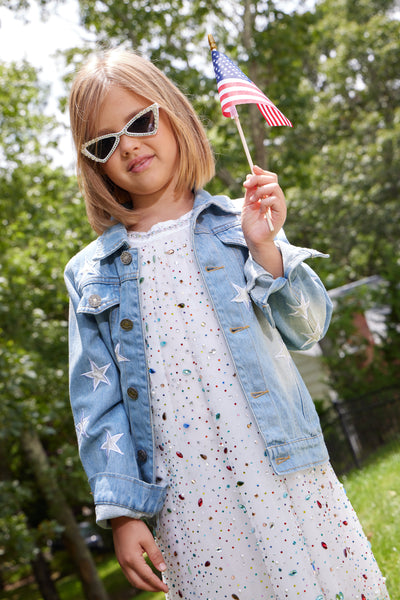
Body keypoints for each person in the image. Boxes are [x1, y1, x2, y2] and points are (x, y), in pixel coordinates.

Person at [65, 48, 390, 600]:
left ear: (175, 115)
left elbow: (309, 328)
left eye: (141, 122)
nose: (130, 145)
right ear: (95, 164)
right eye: (105, 143)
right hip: (190, 499)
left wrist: (268, 251)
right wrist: (123, 513)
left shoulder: (239, 228)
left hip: (282, 470)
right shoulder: (90, 274)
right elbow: (98, 407)